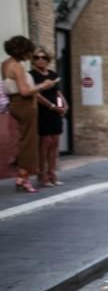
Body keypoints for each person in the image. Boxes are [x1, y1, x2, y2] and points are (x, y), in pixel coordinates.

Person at [2, 36, 55, 192]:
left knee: (22, 140)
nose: (30, 55)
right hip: (25, 105)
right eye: (29, 52)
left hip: (14, 104)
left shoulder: (5, 64)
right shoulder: (17, 66)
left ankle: (22, 176)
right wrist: (44, 85)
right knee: (28, 143)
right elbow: (25, 91)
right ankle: (23, 178)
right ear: (23, 51)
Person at [29, 47, 68, 187]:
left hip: (55, 112)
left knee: (55, 143)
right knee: (45, 143)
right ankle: (42, 174)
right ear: (33, 60)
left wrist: (64, 105)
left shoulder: (52, 74)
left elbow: (58, 92)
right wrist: (52, 106)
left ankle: (52, 173)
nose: (40, 60)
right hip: (43, 111)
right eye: (37, 58)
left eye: (43, 57)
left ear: (48, 60)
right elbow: (36, 94)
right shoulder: (31, 75)